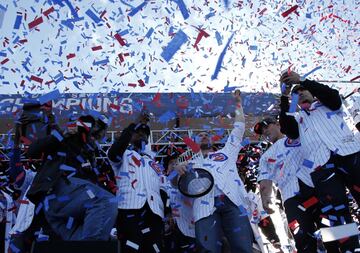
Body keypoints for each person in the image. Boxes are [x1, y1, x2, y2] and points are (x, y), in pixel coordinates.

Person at [279, 71, 360, 252]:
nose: (300, 95)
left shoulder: (329, 104)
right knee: (335, 211)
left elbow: (331, 94)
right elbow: (288, 129)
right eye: (296, 95)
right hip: (320, 167)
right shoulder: (297, 117)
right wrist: (286, 97)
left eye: (303, 91)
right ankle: (349, 249)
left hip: (350, 155)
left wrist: (301, 81)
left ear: (312, 93)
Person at [174, 90, 255, 253]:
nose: (204, 136)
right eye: (200, 135)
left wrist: (238, 103)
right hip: (205, 207)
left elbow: (239, 128)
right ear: (194, 142)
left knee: (243, 247)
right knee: (208, 249)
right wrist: (177, 169)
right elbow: (176, 186)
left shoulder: (226, 152)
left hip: (233, 202)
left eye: (207, 135)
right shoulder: (188, 161)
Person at [24, 115, 118, 241]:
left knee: (86, 238)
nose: (96, 139)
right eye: (95, 133)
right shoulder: (65, 140)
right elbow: (32, 151)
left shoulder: (90, 157)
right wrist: (62, 133)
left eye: (99, 135)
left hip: (68, 214)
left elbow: (93, 186)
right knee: (105, 200)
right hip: (56, 193)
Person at [108, 111, 165, 253]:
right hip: (129, 209)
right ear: (131, 135)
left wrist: (167, 212)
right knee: (132, 248)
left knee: (155, 249)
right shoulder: (123, 155)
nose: (142, 135)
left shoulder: (154, 162)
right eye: (138, 132)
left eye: (145, 133)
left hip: (154, 213)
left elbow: (164, 187)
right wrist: (134, 124)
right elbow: (114, 152)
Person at [162, 153, 196, 253]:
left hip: (189, 230)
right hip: (168, 231)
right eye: (172, 164)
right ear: (167, 169)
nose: (176, 166)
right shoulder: (161, 183)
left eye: (177, 163)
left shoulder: (190, 182)